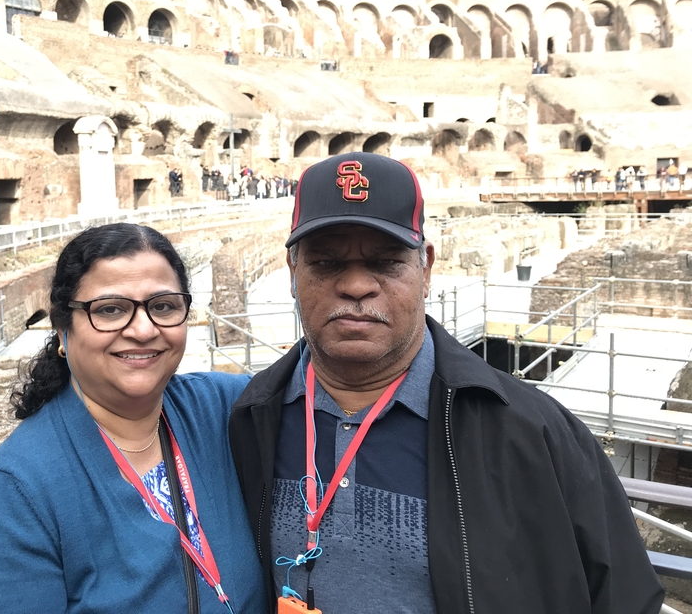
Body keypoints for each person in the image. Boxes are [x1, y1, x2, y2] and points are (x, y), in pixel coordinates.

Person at [229, 152, 664, 614]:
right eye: (326, 263)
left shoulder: (534, 434)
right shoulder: (250, 419)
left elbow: (626, 597)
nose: (356, 285)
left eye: (385, 261)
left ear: (426, 269)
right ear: (293, 272)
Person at [0, 223, 267, 613]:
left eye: (163, 306)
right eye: (110, 310)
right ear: (63, 330)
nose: (144, 329)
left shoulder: (223, 407)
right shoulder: (17, 493)